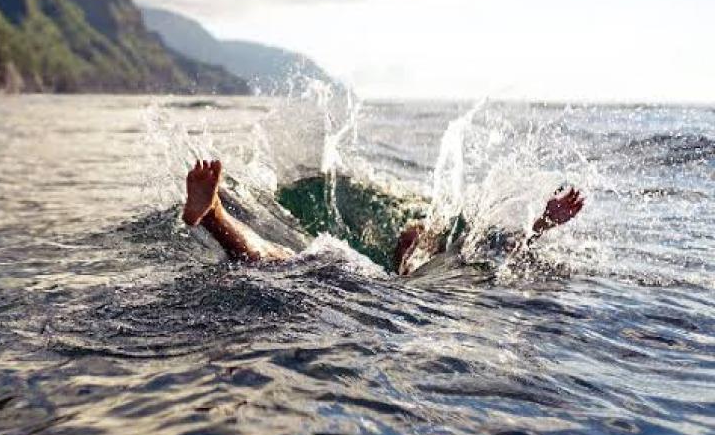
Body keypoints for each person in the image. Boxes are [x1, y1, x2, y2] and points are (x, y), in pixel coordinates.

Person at [182, 159, 585, 274]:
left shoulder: (451, 257)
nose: (410, 239)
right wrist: (543, 224)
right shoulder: (363, 264)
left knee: (279, 261)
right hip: (364, 282)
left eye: (415, 239)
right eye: (409, 239)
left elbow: (501, 247)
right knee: (280, 259)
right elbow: (503, 249)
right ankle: (213, 214)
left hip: (377, 290)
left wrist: (543, 223)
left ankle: (214, 214)